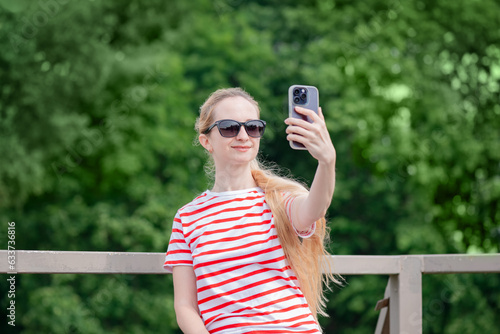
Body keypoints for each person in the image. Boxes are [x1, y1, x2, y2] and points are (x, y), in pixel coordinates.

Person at [163, 87, 339, 333]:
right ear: (206, 141)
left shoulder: (278, 200)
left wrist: (327, 161)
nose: (243, 136)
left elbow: (315, 208)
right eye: (229, 128)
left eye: (253, 127)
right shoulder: (187, 218)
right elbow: (185, 307)